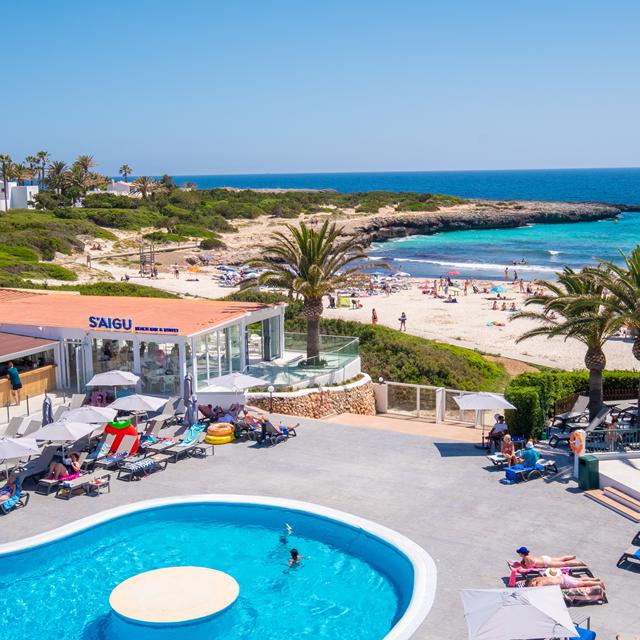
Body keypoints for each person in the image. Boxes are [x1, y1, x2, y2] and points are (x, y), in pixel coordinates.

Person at [516, 547, 584, 568]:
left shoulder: (526, 558)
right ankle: (573, 557)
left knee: (564, 564)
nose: (519, 554)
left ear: (522, 553)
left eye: (519, 553)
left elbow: (529, 567)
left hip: (545, 562)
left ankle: (579, 563)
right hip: (544, 558)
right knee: (561, 559)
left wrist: (521, 565)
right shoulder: (527, 556)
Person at [526, 574, 605, 590]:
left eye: (531, 585)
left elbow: (536, 590)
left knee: (582, 583)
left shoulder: (540, 583)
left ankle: (598, 583)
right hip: (562, 577)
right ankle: (595, 579)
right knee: (580, 579)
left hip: (564, 582)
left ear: (533, 581)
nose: (532, 586)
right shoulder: (538, 578)